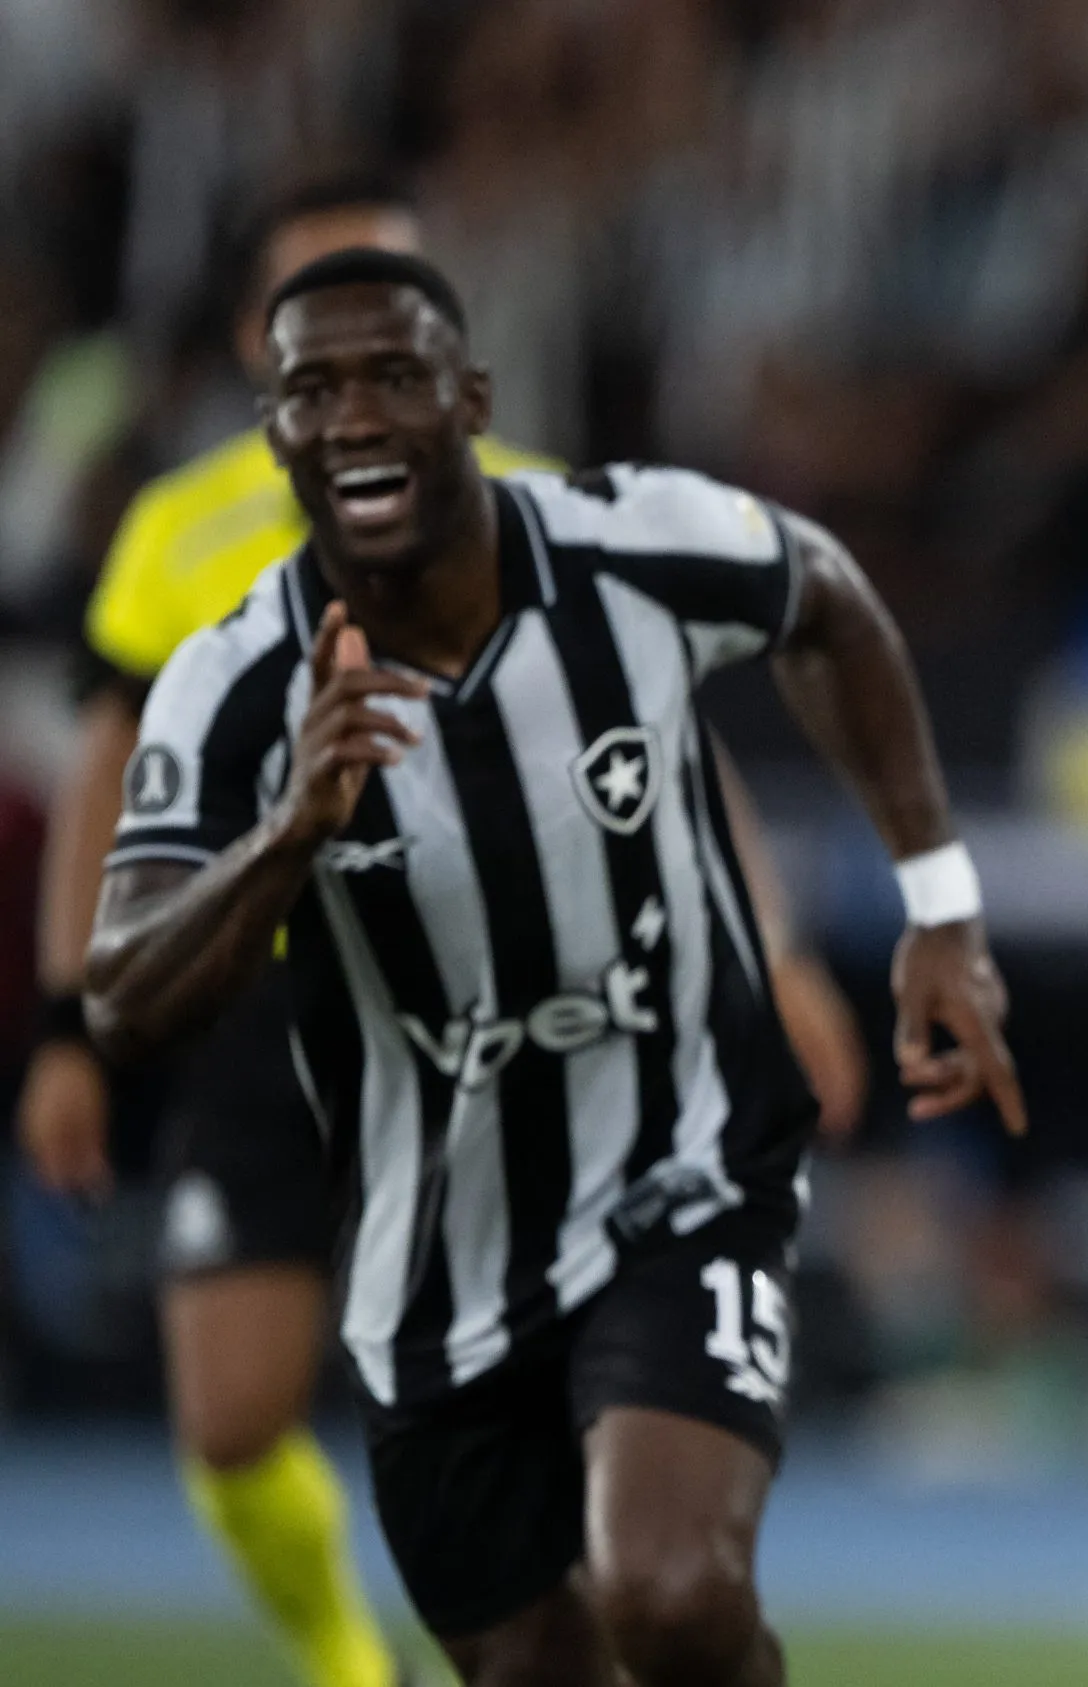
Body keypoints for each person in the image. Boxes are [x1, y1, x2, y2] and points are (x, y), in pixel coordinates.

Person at [82, 245, 1022, 1686]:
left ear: (472, 398)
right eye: (309, 391)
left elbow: (824, 595)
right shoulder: (232, 682)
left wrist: (940, 908)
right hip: (434, 1260)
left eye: (393, 376)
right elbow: (124, 994)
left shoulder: (630, 540)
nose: (351, 419)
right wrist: (287, 835)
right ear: (272, 429)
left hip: (683, 1167)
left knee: (671, 1592)